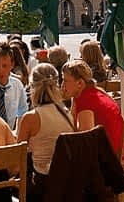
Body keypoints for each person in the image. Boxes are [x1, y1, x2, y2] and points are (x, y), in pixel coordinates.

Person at [16, 64, 75, 199]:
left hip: (42, 183)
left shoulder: (31, 117)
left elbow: (17, 155)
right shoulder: (66, 113)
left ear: (32, 87)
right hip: (66, 180)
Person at [62, 59, 123, 154]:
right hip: (123, 151)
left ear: (80, 83)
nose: (62, 85)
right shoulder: (98, 91)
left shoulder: (86, 101)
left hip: (110, 159)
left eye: (65, 81)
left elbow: (84, 141)